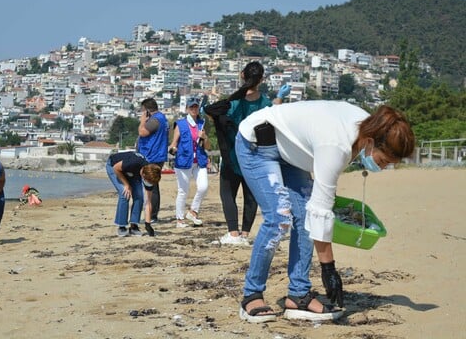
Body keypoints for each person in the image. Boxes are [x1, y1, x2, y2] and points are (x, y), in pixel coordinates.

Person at [235, 101, 415, 322]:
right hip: (256, 144)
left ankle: (298, 294)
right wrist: (328, 269)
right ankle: (251, 294)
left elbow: (315, 211)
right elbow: (320, 211)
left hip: (292, 152)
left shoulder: (373, 127)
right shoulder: (336, 146)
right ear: (370, 142)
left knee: (303, 218)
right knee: (279, 218)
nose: (384, 167)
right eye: (384, 161)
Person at [204, 61, 290, 246]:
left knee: (227, 194)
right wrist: (280, 97)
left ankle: (233, 234)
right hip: (256, 156)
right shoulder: (265, 103)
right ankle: (244, 234)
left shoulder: (233, 102)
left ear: (242, 75)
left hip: (233, 156)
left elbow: (212, 114)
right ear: (261, 80)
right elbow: (275, 116)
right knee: (251, 196)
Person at [169, 96, 211, 228]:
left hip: (199, 161)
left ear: (198, 109)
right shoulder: (180, 124)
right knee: (183, 191)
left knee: (203, 187)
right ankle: (180, 220)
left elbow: (208, 146)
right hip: (183, 161)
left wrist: (204, 137)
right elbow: (173, 144)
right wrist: (173, 150)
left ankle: (193, 211)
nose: (194, 109)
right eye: (191, 107)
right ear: (187, 109)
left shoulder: (202, 124)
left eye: (196, 107)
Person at [106, 151, 162, 237]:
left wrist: (148, 224)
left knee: (139, 196)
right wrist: (126, 184)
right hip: (114, 166)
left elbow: (148, 202)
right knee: (125, 193)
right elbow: (116, 168)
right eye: (145, 181)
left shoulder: (150, 175)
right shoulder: (134, 162)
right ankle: (122, 226)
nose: (147, 183)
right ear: (143, 174)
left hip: (132, 172)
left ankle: (134, 226)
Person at [137, 98, 169, 222]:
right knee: (153, 185)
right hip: (158, 155)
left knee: (151, 186)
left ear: (147, 110)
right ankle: (153, 214)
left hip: (152, 156)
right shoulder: (163, 118)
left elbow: (142, 132)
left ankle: (152, 215)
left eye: (142, 111)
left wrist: (142, 121)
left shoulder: (154, 120)